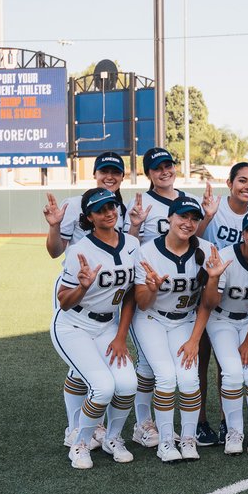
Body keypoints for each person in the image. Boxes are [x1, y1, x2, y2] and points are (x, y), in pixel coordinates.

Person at [41, 150, 127, 447]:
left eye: (115, 171)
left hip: (106, 293)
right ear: (95, 174)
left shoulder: (120, 209)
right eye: (104, 171)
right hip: (75, 287)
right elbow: (55, 251)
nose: (110, 176)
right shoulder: (75, 204)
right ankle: (76, 428)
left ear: (122, 176)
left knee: (92, 366)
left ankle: (92, 426)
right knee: (81, 366)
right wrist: (54, 225)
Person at [50, 188, 140, 469]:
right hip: (73, 325)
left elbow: (130, 295)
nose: (108, 213)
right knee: (102, 387)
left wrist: (121, 336)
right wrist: (83, 287)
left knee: (127, 384)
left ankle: (113, 438)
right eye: (100, 210)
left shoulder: (132, 244)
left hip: (107, 326)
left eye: (111, 206)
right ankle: (79, 443)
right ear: (89, 216)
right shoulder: (79, 250)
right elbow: (64, 302)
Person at [126, 146, 197, 448]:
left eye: (169, 165)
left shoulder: (184, 201)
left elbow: (194, 236)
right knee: (148, 366)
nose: (165, 171)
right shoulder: (140, 202)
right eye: (157, 167)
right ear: (149, 174)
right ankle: (144, 424)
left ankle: (171, 429)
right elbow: (128, 245)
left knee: (165, 371)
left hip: (178, 292)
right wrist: (135, 224)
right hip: (147, 283)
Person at [132, 195, 211, 463]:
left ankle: (187, 439)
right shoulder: (147, 251)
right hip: (151, 317)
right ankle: (166, 441)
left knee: (189, 379)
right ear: (169, 218)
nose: (188, 223)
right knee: (165, 375)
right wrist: (152, 288)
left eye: (194, 218)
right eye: (182, 216)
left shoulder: (207, 250)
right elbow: (141, 303)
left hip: (186, 319)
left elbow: (208, 304)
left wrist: (194, 340)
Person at [194, 209, 248, 456]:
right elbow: (208, 303)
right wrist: (213, 278)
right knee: (231, 373)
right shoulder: (226, 257)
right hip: (221, 320)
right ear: (242, 234)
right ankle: (233, 431)